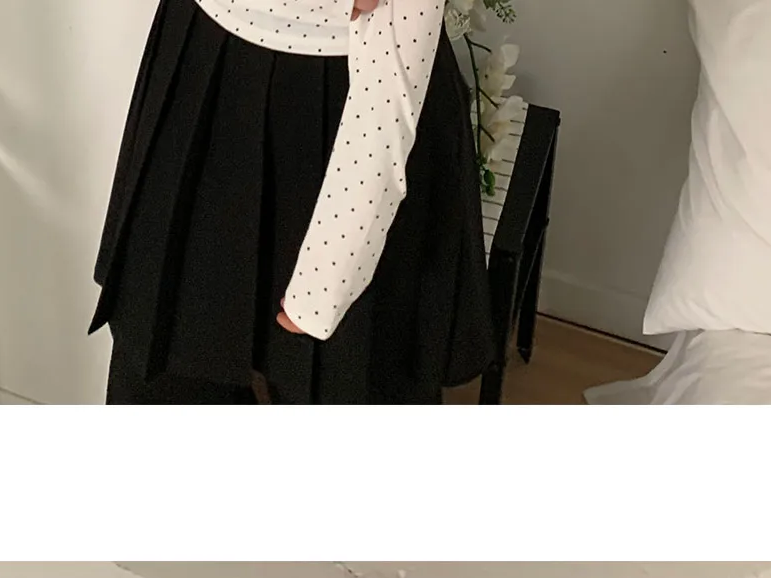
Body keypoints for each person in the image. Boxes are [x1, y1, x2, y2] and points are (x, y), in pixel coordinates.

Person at [92, 0, 494, 407]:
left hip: (371, 95)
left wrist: (339, 257)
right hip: (207, 62)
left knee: (355, 387)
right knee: (165, 382)